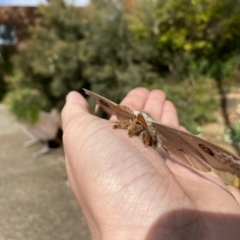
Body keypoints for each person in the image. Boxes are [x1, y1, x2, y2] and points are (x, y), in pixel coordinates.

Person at [61, 88, 240, 240]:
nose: (134, 127)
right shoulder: (133, 119)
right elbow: (131, 122)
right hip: (138, 117)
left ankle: (233, 164)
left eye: (137, 123)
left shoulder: (152, 126)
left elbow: (150, 132)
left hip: (156, 127)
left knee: (164, 136)